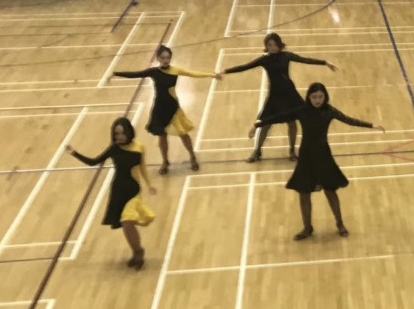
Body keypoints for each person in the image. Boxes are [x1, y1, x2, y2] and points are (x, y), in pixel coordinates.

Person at [250, 83, 384, 240]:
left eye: (320, 97)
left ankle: (340, 224)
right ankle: (307, 228)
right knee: (304, 193)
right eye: (314, 97)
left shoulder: (329, 111)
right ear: (309, 97)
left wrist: (371, 125)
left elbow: (349, 120)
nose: (317, 100)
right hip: (306, 157)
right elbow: (280, 116)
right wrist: (256, 125)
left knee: (330, 191)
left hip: (324, 156)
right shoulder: (302, 110)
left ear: (325, 97)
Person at [220, 33, 337, 162]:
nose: (272, 47)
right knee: (266, 124)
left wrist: (325, 63)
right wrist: (225, 71)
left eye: (275, 44)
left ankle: (292, 152)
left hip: (289, 94)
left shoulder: (287, 56)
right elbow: (245, 67)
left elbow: (305, 60)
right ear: (266, 46)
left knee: (292, 123)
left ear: (279, 45)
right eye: (269, 45)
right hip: (274, 95)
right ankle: (257, 151)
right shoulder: (264, 60)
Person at [65, 118, 157, 269]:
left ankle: (139, 252)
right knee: (126, 225)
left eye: (122, 133)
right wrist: (75, 153)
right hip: (118, 190)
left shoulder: (139, 147)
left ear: (129, 132)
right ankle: (136, 251)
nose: (119, 136)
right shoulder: (114, 149)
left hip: (133, 190)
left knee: (127, 222)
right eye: (116, 134)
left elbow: (142, 168)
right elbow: (94, 162)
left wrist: (150, 185)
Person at [112, 45, 219, 174]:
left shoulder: (175, 70)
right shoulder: (153, 72)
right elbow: (136, 74)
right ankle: (165, 161)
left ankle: (192, 157)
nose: (166, 60)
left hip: (173, 108)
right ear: (158, 58)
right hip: (159, 108)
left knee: (183, 134)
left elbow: (193, 73)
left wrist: (212, 75)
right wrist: (116, 73)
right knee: (162, 137)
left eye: (168, 58)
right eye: (163, 58)